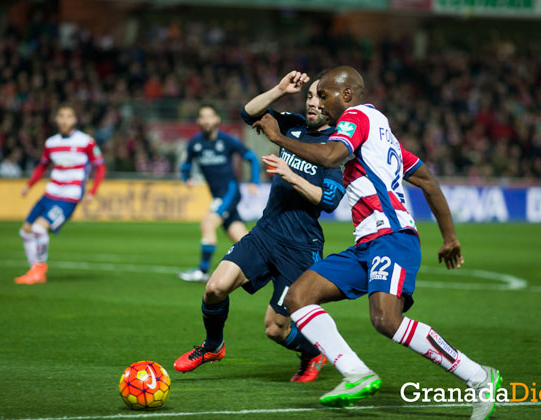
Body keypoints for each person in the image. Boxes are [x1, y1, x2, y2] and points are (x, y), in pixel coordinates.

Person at [252, 66, 500, 419]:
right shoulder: (384, 138)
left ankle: (478, 376)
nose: (318, 102)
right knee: (298, 296)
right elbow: (427, 180)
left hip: (392, 236)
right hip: (366, 243)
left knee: (386, 320)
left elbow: (332, 156)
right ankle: (355, 373)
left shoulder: (357, 116)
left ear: (347, 95)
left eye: (324, 95)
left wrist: (278, 138)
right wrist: (449, 238)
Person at [173, 71, 345, 382]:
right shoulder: (292, 125)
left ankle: (312, 352)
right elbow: (248, 113)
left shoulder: (334, 148)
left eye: (320, 97)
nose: (312, 103)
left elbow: (330, 200)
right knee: (214, 288)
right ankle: (213, 346)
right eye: (309, 96)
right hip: (266, 233)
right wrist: (280, 89)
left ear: (333, 104)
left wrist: (291, 176)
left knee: (275, 329)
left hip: (300, 248)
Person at [15, 105, 106, 285]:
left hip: (69, 197)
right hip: (50, 193)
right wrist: (29, 185)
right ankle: (35, 270)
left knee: (39, 228)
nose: (65, 120)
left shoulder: (86, 142)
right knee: (25, 231)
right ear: (56, 119)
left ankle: (39, 270)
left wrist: (93, 191)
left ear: (74, 120)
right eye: (61, 116)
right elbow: (42, 166)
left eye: (69, 117)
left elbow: (100, 167)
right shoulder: (51, 143)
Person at [178, 104, 261, 282]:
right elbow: (185, 164)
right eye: (203, 117)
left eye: (210, 116)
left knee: (208, 223)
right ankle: (267, 264)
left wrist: (254, 182)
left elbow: (252, 158)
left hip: (229, 192)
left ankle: (202, 270)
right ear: (199, 121)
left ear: (217, 119)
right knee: (239, 235)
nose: (206, 120)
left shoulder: (227, 140)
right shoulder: (195, 143)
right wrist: (187, 178)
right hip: (218, 195)